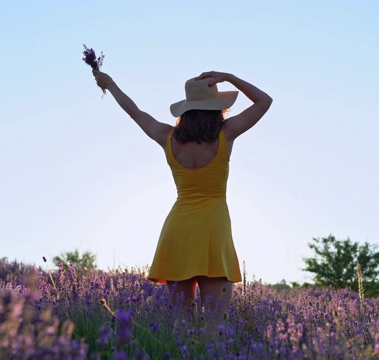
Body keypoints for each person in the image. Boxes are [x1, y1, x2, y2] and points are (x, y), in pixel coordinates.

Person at [92, 70, 272, 334]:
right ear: (216, 108)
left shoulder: (168, 137)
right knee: (213, 325)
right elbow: (264, 102)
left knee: (182, 324)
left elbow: (134, 112)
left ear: (186, 111)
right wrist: (229, 77)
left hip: (178, 230)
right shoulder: (226, 134)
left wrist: (110, 84)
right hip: (213, 229)